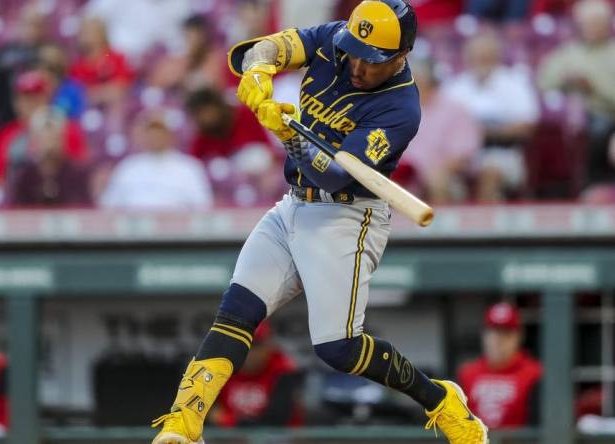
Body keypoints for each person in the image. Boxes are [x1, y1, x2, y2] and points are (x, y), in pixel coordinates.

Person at [151, 1, 488, 443]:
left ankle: (441, 401)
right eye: (354, 51)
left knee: (339, 348)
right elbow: (261, 49)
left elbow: (332, 172)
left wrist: (289, 134)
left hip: (347, 215)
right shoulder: (337, 39)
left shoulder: (400, 108)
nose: (356, 65)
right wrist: (258, 72)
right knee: (238, 309)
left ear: (400, 57)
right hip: (293, 204)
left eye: (371, 60)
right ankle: (183, 425)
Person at [443, 31, 539, 202]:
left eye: (486, 56)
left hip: (503, 153)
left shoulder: (514, 84)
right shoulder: (455, 87)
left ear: (497, 57)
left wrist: (485, 132)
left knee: (490, 172)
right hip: (462, 155)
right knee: (438, 174)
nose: (480, 61)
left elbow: (526, 127)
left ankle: (481, 226)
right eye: (476, 56)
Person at [537, 0, 615, 189]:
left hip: (607, 113)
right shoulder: (568, 52)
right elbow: (543, 82)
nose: (592, 29)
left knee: (598, 130)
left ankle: (597, 185)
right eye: (587, 24)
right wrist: (566, 81)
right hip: (575, 116)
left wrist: (593, 87)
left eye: (597, 23)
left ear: (607, 24)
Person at [399, 57, 483, 203]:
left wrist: (428, 171)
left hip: (444, 174)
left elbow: (463, 156)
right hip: (404, 173)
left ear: (428, 81)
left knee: (436, 179)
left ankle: (437, 225)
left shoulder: (455, 110)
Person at [100, 111, 212, 210]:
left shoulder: (188, 167)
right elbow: (109, 205)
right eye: (151, 132)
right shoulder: (129, 167)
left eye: (160, 131)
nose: (156, 136)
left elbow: (203, 206)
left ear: (170, 135)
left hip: (177, 230)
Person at [458, 302, 543, 429]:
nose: (498, 340)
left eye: (506, 333)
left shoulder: (534, 373)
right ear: (484, 335)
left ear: (519, 336)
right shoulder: (467, 373)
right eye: (493, 332)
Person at [210, 321, 303, 427]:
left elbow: (275, 422)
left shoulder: (283, 369)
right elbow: (205, 413)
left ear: (269, 344)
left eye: (256, 345)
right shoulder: (222, 368)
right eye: (244, 345)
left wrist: (228, 420)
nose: (250, 352)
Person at [9, 108, 91, 206]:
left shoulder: (77, 174)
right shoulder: (25, 176)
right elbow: (15, 211)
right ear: (35, 141)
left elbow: (83, 209)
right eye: (45, 138)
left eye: (54, 137)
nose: (50, 144)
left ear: (63, 139)